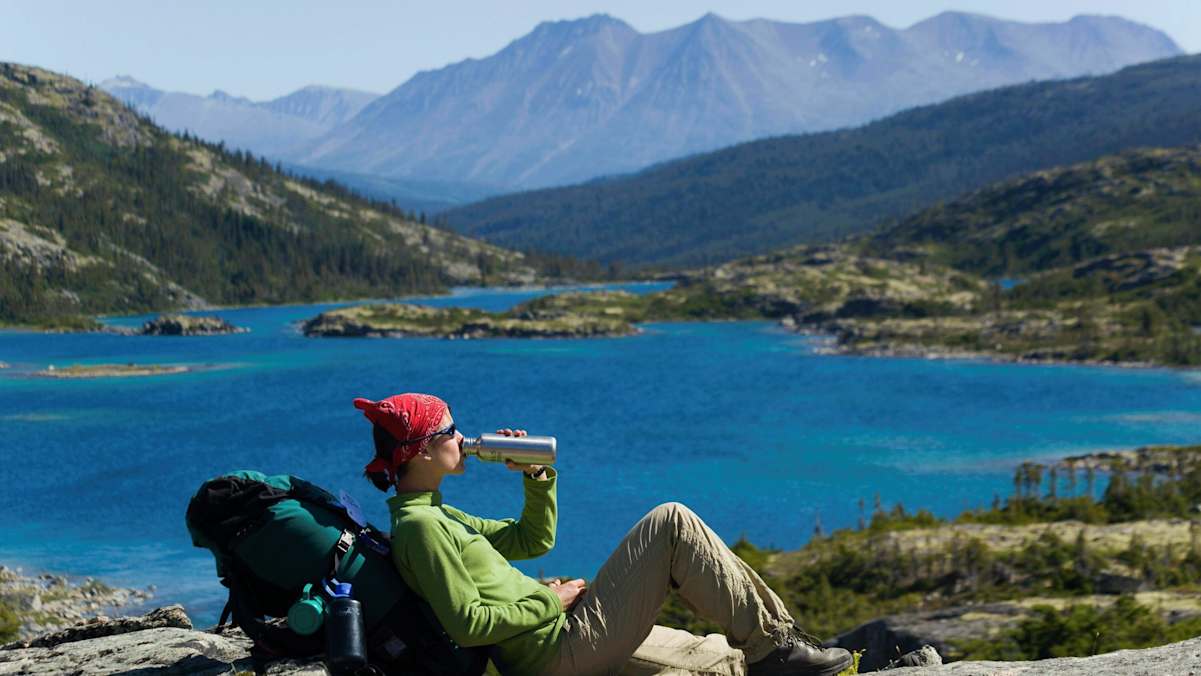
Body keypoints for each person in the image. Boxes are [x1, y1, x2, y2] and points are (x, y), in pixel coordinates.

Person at [354, 393, 852, 676]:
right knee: (671, 522)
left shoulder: (438, 515)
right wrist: (551, 599)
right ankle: (775, 643)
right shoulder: (421, 528)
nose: (462, 437)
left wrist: (534, 475)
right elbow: (467, 624)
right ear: (420, 451)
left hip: (565, 635)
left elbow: (533, 540)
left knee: (723, 663)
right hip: (556, 649)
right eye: (449, 431)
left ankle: (769, 652)